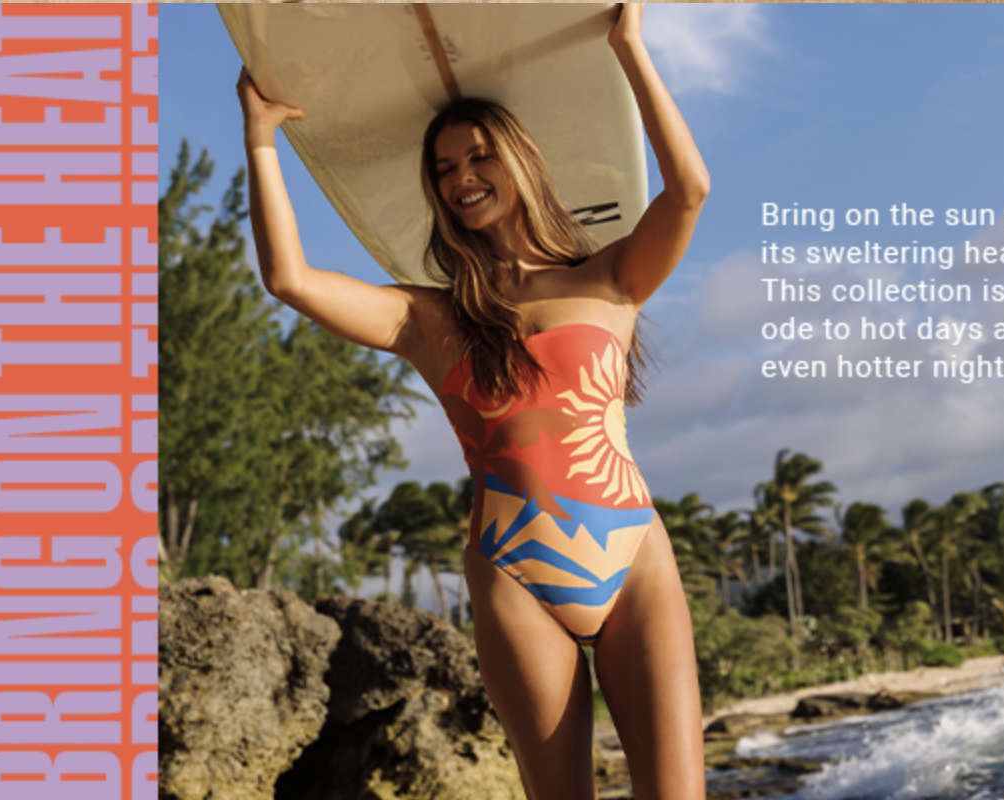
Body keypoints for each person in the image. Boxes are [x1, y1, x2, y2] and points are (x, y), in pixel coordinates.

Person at [238, 6, 708, 799]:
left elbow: (688, 190)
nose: (461, 179)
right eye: (445, 170)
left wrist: (628, 48)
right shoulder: (427, 318)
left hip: (633, 557)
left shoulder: (612, 278)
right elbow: (289, 278)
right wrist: (260, 139)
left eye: (478, 156)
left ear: (520, 161)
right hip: (516, 570)